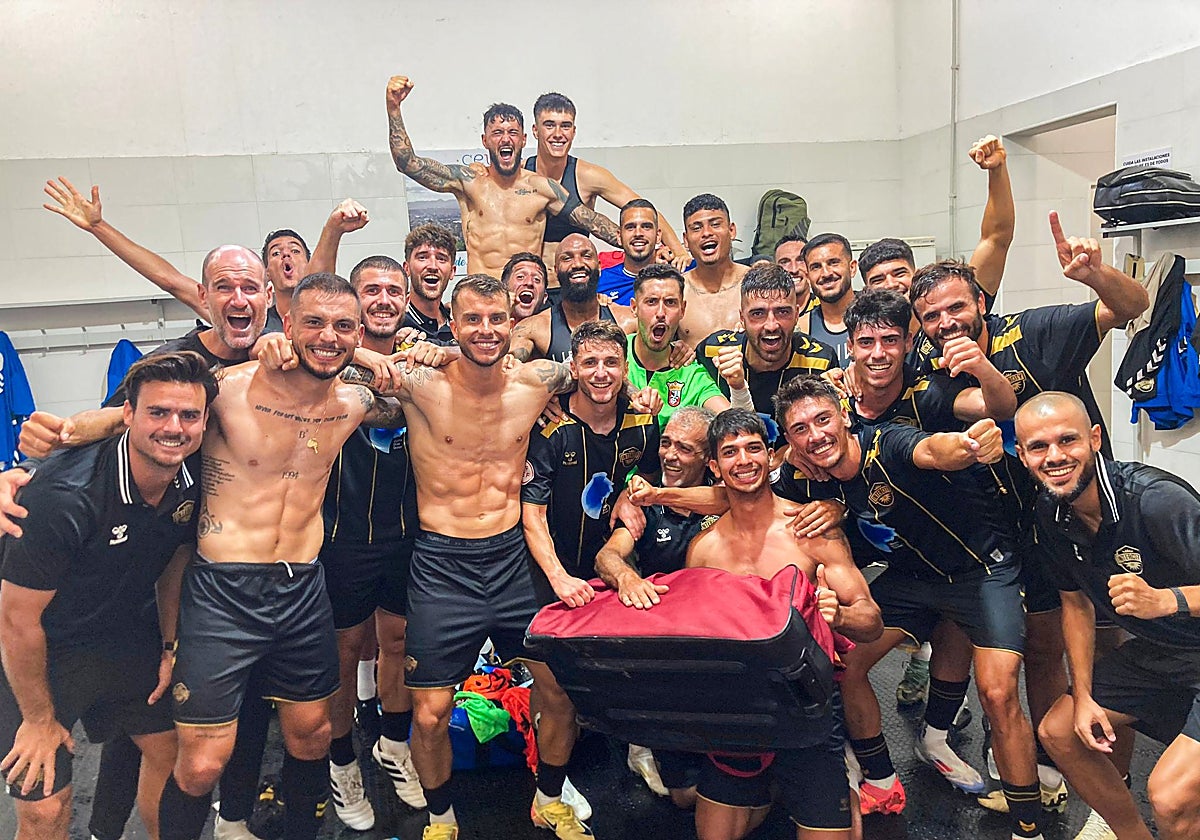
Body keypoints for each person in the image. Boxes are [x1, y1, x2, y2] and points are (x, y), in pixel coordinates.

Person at [18, 274, 415, 840]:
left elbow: (431, 380)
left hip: (301, 587)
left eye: (343, 327)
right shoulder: (227, 390)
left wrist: (396, 360)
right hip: (222, 591)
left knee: (312, 734)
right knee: (203, 761)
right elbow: (138, 415)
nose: (329, 336)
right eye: (314, 324)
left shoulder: (352, 401)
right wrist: (41, 455)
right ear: (287, 324)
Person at [909, 219, 1149, 817]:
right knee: (1045, 647)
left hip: (1092, 513)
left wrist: (1096, 275)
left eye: (956, 308)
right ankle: (1050, 759)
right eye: (931, 317)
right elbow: (996, 406)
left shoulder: (1038, 331)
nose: (946, 323)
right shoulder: (933, 379)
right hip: (1017, 524)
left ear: (981, 302)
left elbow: (1133, 306)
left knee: (1111, 645)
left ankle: (1112, 790)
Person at [380, 274, 607, 839]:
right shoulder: (421, 384)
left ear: (515, 323)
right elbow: (342, 362)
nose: (485, 330)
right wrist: (404, 348)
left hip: (511, 559)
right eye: (472, 320)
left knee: (556, 691)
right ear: (452, 324)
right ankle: (440, 818)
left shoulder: (535, 382)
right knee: (428, 714)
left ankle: (549, 799)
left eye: (496, 319)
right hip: (441, 564)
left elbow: (591, 367)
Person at [774, 377, 1046, 840]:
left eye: (823, 420)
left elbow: (932, 450)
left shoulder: (887, 442)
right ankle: (879, 775)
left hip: (981, 572)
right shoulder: (811, 473)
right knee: (847, 665)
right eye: (800, 429)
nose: (815, 435)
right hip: (912, 580)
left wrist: (967, 445)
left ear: (844, 413)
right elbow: (750, 486)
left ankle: (1027, 827)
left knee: (998, 694)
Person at [0, 352, 215, 840]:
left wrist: (168, 646)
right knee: (45, 803)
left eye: (188, 416)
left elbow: (174, 561)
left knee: (176, 759)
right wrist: (38, 719)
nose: (174, 428)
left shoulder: (193, 475)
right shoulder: (63, 497)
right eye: (158, 413)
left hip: (121, 635)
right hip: (37, 648)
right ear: (128, 416)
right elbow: (16, 620)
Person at [683, 408, 880, 840]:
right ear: (714, 467)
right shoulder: (703, 548)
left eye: (754, 448)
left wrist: (838, 615)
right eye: (730, 452)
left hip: (807, 710)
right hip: (739, 714)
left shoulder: (811, 531)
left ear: (771, 458)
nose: (744, 460)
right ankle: (769, 788)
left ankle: (834, 778)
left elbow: (871, 622)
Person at [1015, 392, 1200, 840]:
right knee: (1059, 731)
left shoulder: (1156, 501)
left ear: (1095, 439)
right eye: (1038, 446)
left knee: (1171, 796)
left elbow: (1165, 600)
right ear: (1021, 456)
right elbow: (1075, 604)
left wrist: (1167, 601)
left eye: (1067, 440)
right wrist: (1083, 696)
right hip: (1163, 654)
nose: (1055, 456)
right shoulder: (1052, 512)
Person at [320, 256, 429, 830]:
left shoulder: (421, 355)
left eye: (394, 290)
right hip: (342, 536)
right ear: (354, 304)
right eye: (372, 290)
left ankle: (392, 742)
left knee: (399, 641)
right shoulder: (327, 362)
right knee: (343, 654)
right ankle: (342, 763)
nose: (384, 298)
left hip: (408, 533)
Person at [593, 406, 717, 805]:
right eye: (665, 443)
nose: (670, 455)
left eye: (685, 447)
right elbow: (607, 557)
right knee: (685, 798)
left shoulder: (726, 494)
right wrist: (628, 577)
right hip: (668, 646)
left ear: (708, 458)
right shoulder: (642, 503)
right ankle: (641, 739)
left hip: (720, 641)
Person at [386, 76, 620, 278]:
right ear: (485, 140)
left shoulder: (543, 188)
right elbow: (408, 163)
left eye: (513, 133)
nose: (506, 139)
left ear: (524, 140)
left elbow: (592, 221)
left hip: (526, 299)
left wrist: (642, 244)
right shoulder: (468, 181)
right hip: (480, 294)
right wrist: (394, 108)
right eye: (497, 133)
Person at [42, 176, 318, 333]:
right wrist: (99, 227)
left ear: (308, 264)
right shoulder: (245, 311)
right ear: (266, 276)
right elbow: (169, 279)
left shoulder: (329, 319)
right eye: (275, 253)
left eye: (294, 251)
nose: (286, 257)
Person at [524, 92, 687, 272]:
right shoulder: (521, 176)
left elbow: (644, 210)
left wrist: (679, 252)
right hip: (532, 285)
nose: (558, 134)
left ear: (574, 131)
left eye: (565, 126)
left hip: (577, 282)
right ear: (535, 130)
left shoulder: (589, 175)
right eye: (549, 125)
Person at [695, 262, 837, 439]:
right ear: (742, 318)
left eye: (782, 312)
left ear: (796, 315)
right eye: (757, 314)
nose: (771, 325)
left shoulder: (820, 361)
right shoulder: (712, 351)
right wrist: (678, 352)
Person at [624, 264, 733, 427]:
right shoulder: (613, 353)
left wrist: (739, 388)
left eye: (670, 302)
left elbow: (736, 424)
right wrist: (627, 388)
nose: (661, 313)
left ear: (682, 309)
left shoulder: (691, 374)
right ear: (634, 308)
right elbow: (573, 371)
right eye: (651, 301)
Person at [509, 234, 636, 362]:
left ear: (599, 266)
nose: (577, 264)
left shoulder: (628, 321)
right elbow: (506, 371)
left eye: (586, 256)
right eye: (567, 258)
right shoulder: (532, 329)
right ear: (556, 271)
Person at [677, 194, 747, 346]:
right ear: (686, 240)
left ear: (732, 230)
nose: (706, 233)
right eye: (696, 228)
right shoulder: (678, 290)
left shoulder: (754, 282)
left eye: (715, 224)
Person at [596, 199, 668, 305]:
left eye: (646, 227)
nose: (638, 233)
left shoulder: (678, 276)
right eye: (630, 227)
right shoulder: (600, 283)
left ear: (658, 236)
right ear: (619, 237)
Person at [800, 233, 857, 366]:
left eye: (833, 263)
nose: (826, 273)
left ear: (852, 267)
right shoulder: (801, 328)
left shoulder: (878, 317)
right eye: (816, 267)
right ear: (808, 277)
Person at [773, 233, 817, 322]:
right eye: (785, 262)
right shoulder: (767, 313)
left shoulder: (825, 310)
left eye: (801, 260)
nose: (794, 269)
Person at [502, 251, 550, 322]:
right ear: (503, 291)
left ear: (544, 297)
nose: (529, 282)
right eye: (520, 277)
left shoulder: (552, 330)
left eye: (536, 279)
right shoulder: (486, 327)